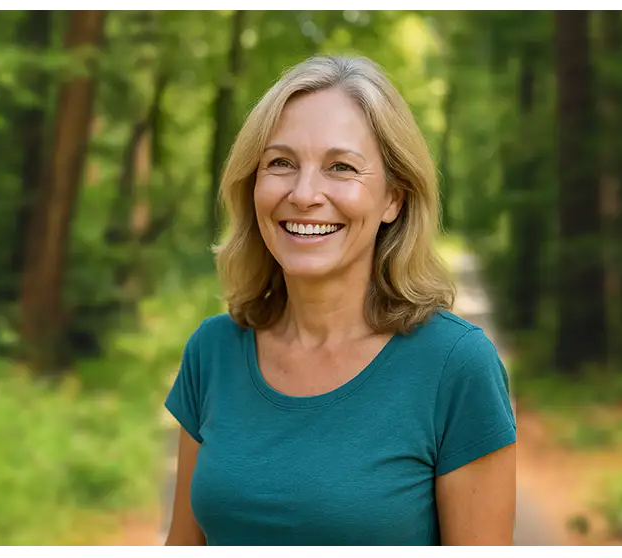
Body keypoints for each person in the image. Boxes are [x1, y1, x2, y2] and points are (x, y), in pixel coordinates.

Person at [163, 54, 516, 550]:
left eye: (341, 167)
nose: (305, 194)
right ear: (253, 183)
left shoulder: (455, 367)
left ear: (394, 197)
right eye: (281, 163)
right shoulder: (212, 352)